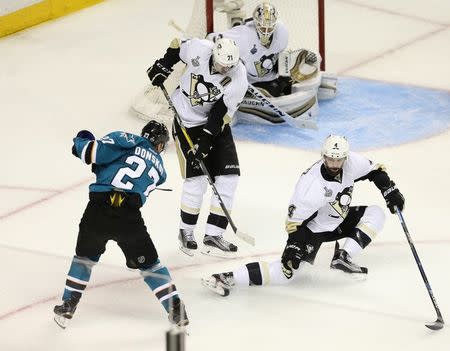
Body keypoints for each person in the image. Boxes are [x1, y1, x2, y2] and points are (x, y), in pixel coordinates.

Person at [201, 135, 405, 296]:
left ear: (345, 157)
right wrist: (294, 247)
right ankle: (227, 277)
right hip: (313, 229)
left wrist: (390, 191)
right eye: (330, 159)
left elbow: (375, 172)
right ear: (323, 156)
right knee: (286, 274)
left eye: (339, 160)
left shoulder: (351, 162)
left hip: (339, 220)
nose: (335, 164)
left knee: (376, 213)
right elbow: (294, 224)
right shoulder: (310, 187)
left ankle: (343, 257)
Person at [53, 121, 189, 328]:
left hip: (98, 212)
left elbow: (90, 153)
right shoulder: (161, 171)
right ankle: (176, 308)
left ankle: (68, 304)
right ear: (160, 145)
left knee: (84, 259)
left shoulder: (127, 140)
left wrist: (83, 139)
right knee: (150, 265)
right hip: (130, 219)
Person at [146, 36, 249, 258]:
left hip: (215, 124)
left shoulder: (239, 77)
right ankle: (187, 232)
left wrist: (205, 142)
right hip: (187, 121)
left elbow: (219, 114)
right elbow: (176, 47)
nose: (225, 68)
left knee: (229, 178)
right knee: (198, 179)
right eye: (222, 64)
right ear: (214, 55)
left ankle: (214, 234)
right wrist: (163, 65)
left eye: (230, 66)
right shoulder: (198, 49)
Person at [208, 2, 330, 126]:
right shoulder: (243, 35)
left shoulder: (281, 32)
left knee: (304, 61)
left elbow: (281, 55)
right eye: (262, 27)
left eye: (270, 28)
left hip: (271, 76)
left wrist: (285, 73)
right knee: (268, 90)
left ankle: (283, 85)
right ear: (255, 23)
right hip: (251, 81)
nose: (266, 32)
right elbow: (210, 39)